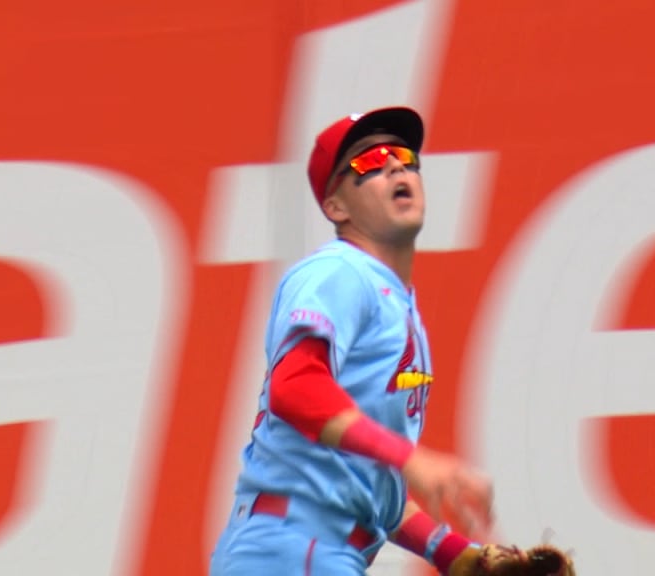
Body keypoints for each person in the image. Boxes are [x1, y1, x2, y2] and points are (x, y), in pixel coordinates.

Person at [209, 106, 495, 575]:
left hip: (315, 548)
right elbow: (295, 386)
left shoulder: (393, 300)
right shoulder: (339, 271)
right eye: (369, 160)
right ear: (336, 207)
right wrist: (414, 459)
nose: (394, 164)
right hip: (295, 546)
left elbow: (365, 483)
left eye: (403, 155)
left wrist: (454, 554)